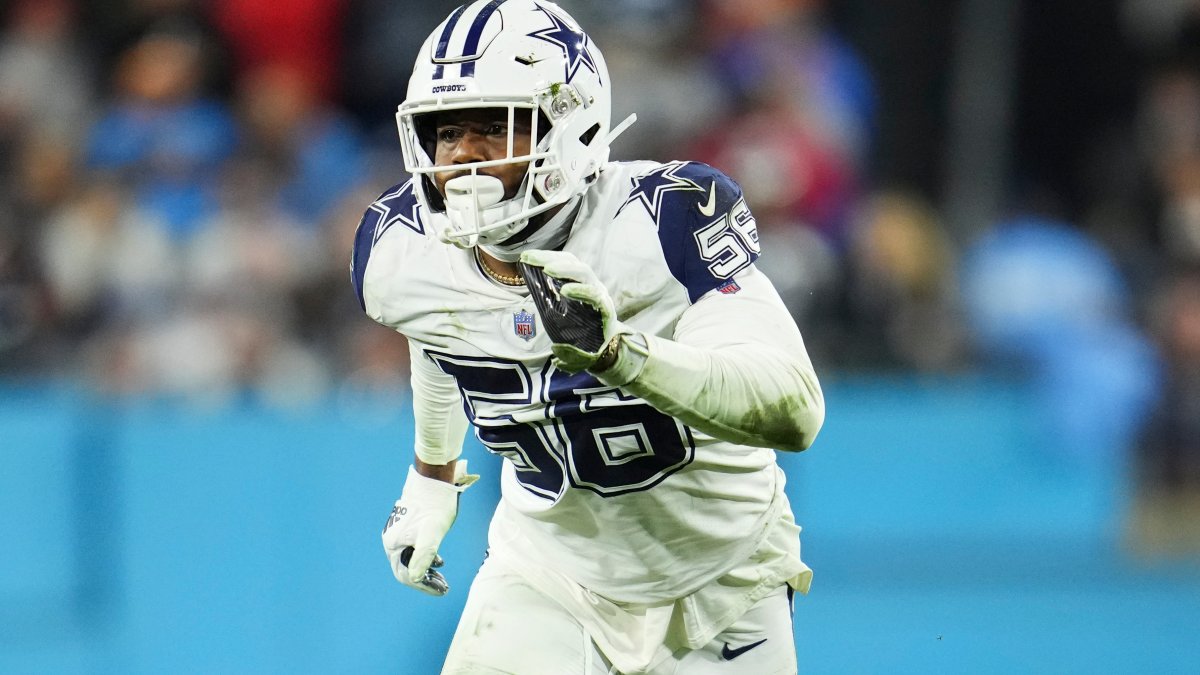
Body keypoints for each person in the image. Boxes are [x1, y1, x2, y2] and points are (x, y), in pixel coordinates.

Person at [350, 2, 826, 672]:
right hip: (549, 572)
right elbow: (437, 328)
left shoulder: (664, 223)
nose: (462, 156)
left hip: (722, 575)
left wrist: (618, 355)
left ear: (570, 126)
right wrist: (431, 474)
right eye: (445, 132)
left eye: (494, 127)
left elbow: (794, 409)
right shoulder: (401, 249)